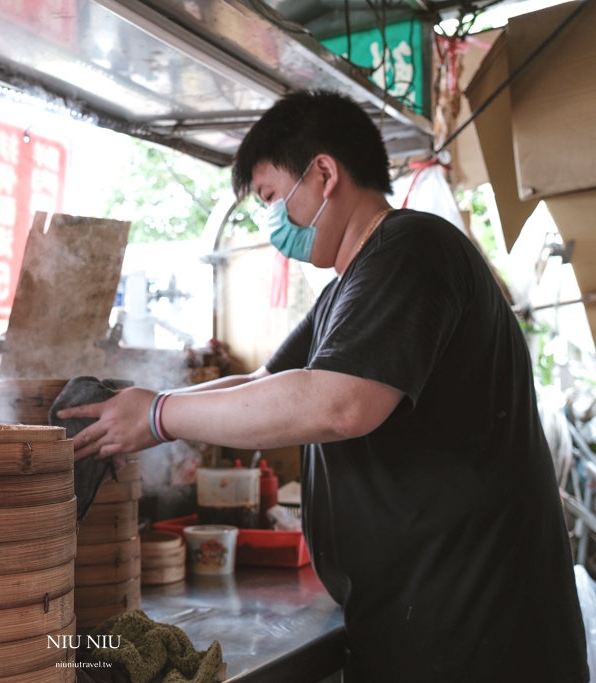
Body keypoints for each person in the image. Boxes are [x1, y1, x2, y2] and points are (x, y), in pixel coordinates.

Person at [57, 90, 588, 682]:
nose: (271, 220)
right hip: (415, 617)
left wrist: (160, 415)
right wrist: (138, 409)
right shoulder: (349, 286)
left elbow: (339, 405)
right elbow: (266, 382)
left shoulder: (412, 250)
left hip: (476, 630)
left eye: (270, 197)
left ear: (324, 174)